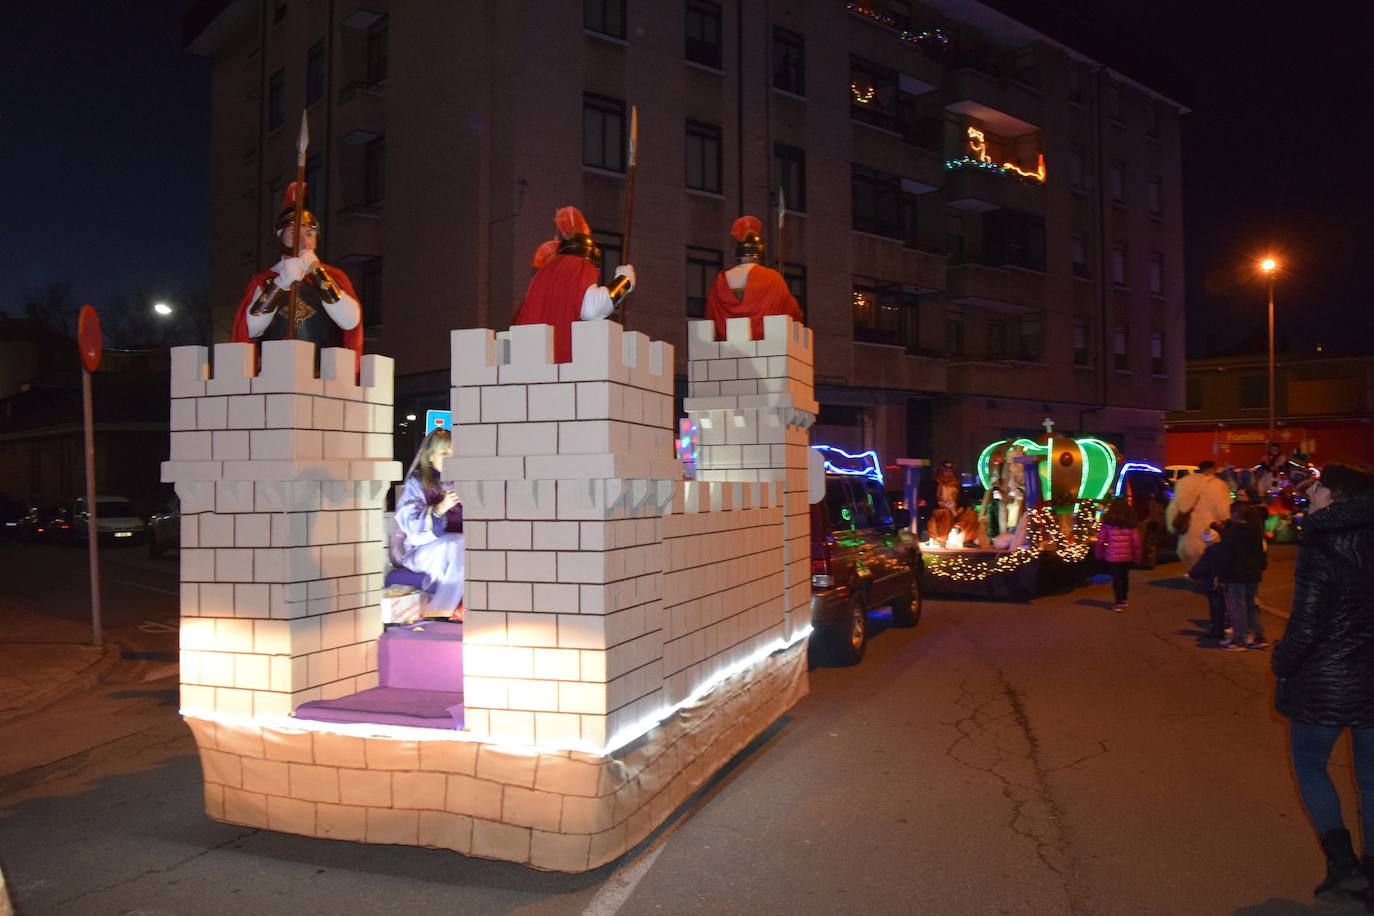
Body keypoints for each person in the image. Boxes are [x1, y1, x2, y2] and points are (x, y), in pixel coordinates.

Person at [1272, 462, 1374, 901]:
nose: (1310, 494)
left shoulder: (1320, 545)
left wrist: (1282, 663)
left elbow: (1306, 625)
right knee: (1371, 780)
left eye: (1318, 489)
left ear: (1335, 497)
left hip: (1322, 683)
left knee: (1311, 767)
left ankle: (1343, 865)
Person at [232, 183, 363, 361]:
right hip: (275, 375)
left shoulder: (334, 278)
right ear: (280, 237)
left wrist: (317, 273)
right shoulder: (265, 281)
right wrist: (279, 284)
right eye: (294, 233)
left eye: (309, 234)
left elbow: (350, 321)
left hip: (324, 377)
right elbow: (251, 328)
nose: (303, 241)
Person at [512, 206, 635, 362]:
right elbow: (592, 308)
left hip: (529, 362)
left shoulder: (543, 275)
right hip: (561, 367)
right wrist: (625, 280)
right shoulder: (578, 266)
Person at [393, 429, 465, 616]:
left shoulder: (466, 483)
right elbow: (410, 526)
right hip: (421, 552)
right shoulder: (417, 484)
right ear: (431, 456)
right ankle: (439, 611)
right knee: (458, 544)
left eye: (454, 453)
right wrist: (441, 508)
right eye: (444, 453)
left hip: (455, 551)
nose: (450, 458)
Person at [705, 215, 804, 340]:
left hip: (727, 348)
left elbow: (709, 317)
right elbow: (793, 312)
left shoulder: (720, 280)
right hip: (764, 347)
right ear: (760, 252)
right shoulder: (772, 277)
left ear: (738, 253)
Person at [1215, 500, 1268, 651]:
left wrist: (1221, 576)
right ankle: (1258, 636)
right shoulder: (1255, 531)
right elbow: (1260, 553)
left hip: (1236, 575)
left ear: (1236, 514)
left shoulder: (1232, 532)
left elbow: (1226, 556)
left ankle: (1239, 640)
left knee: (1238, 607)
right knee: (1249, 605)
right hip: (1252, 574)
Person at [1165, 460, 1233, 567]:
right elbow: (1224, 511)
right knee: (1208, 559)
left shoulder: (1184, 483)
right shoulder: (1218, 486)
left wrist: (1172, 525)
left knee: (1192, 559)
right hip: (1209, 532)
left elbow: (1173, 507)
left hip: (1188, 532)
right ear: (1212, 469)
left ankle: (1195, 575)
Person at [1094, 498, 1142, 611]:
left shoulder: (1108, 522)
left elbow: (1101, 540)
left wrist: (1098, 553)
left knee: (1116, 579)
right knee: (1125, 577)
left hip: (1112, 555)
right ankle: (1124, 599)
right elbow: (1136, 542)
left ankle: (1118, 602)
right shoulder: (1130, 523)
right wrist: (1137, 557)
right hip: (1127, 555)